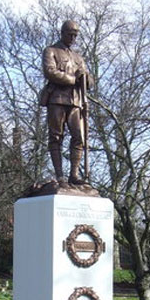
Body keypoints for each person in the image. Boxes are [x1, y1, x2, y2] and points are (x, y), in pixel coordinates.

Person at [40, 20, 91, 186]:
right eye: (70, 34)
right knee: (56, 137)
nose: (73, 38)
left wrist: (86, 78)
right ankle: (60, 175)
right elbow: (50, 72)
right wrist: (72, 79)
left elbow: (89, 82)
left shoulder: (78, 58)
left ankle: (74, 175)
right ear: (62, 33)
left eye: (75, 35)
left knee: (79, 137)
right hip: (57, 99)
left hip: (76, 102)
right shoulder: (51, 51)